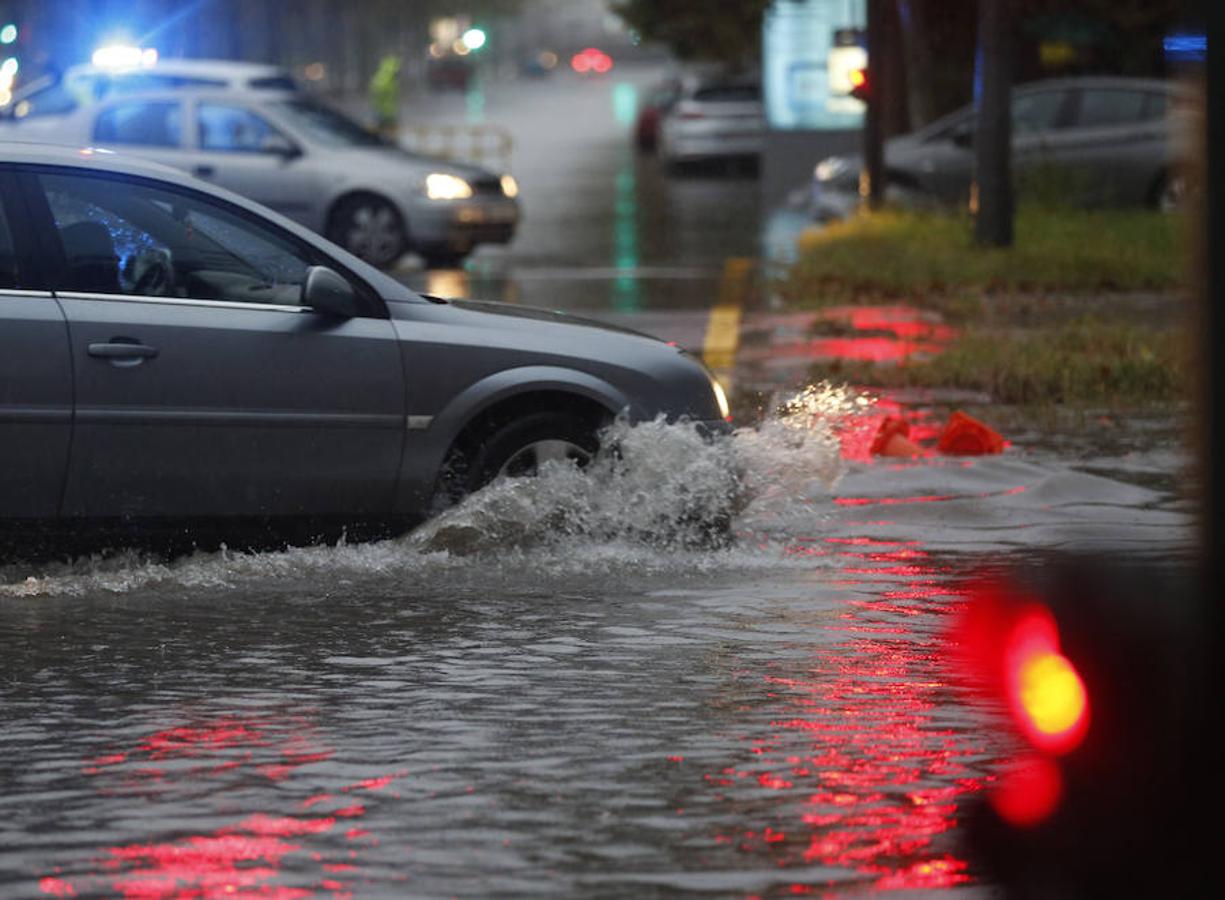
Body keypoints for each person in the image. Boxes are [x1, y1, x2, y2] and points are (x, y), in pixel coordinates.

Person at [369, 54, 402, 138]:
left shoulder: (386, 79)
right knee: (386, 132)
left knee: (386, 132)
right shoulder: (385, 81)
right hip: (384, 112)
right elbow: (378, 94)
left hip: (386, 111)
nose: (398, 73)